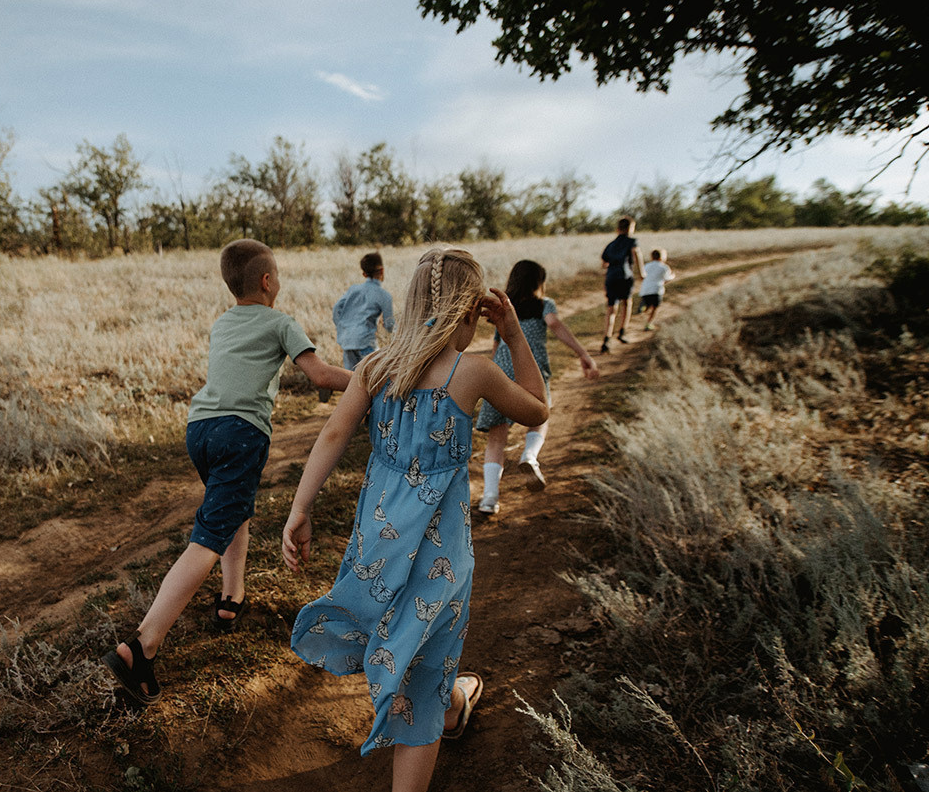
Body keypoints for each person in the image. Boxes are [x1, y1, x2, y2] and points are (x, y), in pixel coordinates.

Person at [281, 247, 549, 792]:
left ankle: (453, 702)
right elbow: (539, 409)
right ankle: (441, 707)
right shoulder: (472, 373)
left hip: (377, 545)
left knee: (408, 639)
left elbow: (333, 435)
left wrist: (300, 507)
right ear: (472, 314)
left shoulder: (376, 366)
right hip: (439, 556)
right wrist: (516, 338)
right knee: (423, 670)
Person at [103, 238, 351, 705]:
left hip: (200, 429)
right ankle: (142, 645)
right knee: (208, 537)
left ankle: (230, 598)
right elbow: (318, 375)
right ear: (267, 280)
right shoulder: (281, 322)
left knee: (232, 510)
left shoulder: (223, 323)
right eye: (277, 274)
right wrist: (370, 381)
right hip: (241, 433)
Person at [475, 260, 599, 512]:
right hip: (529, 370)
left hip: (500, 372)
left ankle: (489, 498)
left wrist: (491, 374)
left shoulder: (505, 308)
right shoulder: (544, 305)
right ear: (539, 283)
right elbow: (554, 324)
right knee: (540, 417)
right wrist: (583, 354)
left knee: (497, 439)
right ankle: (529, 457)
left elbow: (497, 346)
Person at [324, 251, 395, 402]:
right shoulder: (384, 295)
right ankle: (370, 415)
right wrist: (390, 331)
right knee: (376, 376)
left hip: (346, 339)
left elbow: (337, 308)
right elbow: (389, 324)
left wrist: (343, 326)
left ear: (363, 274)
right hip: (365, 340)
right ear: (382, 270)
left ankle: (333, 385)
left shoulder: (353, 289)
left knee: (352, 379)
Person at [600, 216, 643, 353]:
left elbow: (604, 263)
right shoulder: (632, 241)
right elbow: (636, 254)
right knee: (627, 303)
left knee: (611, 308)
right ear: (631, 228)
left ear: (618, 229)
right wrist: (641, 272)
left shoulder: (611, 245)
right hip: (625, 277)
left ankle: (606, 338)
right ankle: (622, 332)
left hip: (611, 277)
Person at [638, 248, 676, 331]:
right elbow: (666, 279)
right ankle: (648, 323)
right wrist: (673, 276)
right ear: (662, 257)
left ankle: (644, 307)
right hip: (656, 290)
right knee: (655, 308)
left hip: (645, 290)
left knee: (648, 304)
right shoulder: (664, 267)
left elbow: (642, 276)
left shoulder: (646, 266)